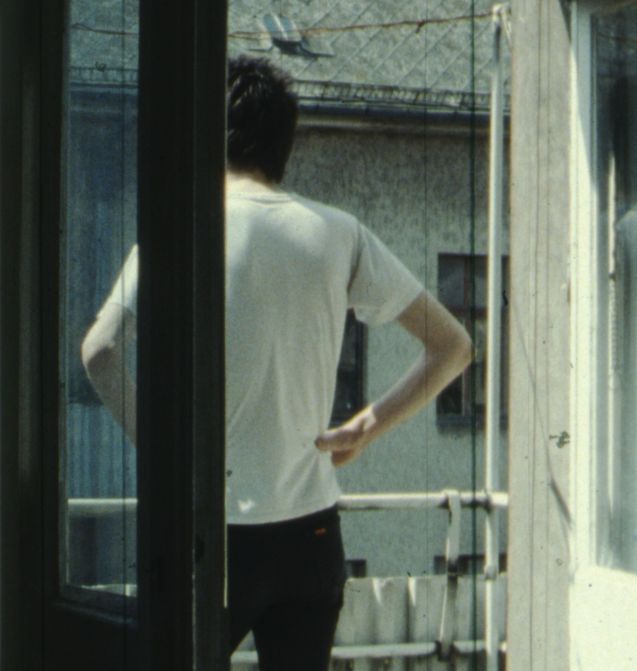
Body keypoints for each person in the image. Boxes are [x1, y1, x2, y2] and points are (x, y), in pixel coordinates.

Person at [80, 55, 473, 670]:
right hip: (309, 536)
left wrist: (168, 460)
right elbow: (454, 345)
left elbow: (98, 353)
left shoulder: (182, 226)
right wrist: (367, 427)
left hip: (211, 535)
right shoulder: (338, 233)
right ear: (284, 142)